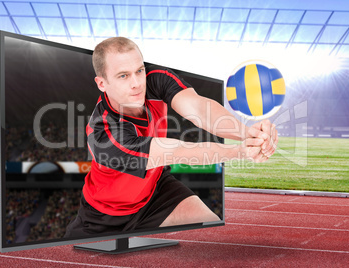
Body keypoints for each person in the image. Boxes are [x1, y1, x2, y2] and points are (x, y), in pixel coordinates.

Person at [65, 37, 278, 237]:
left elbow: (200, 110)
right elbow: (175, 152)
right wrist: (241, 151)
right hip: (104, 217)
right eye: (123, 76)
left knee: (210, 229)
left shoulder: (155, 80)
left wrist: (249, 133)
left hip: (155, 191)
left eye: (139, 70)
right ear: (102, 84)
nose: (137, 83)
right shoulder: (102, 133)